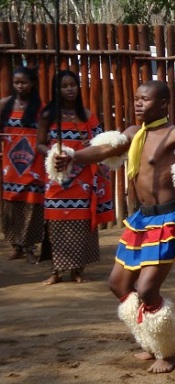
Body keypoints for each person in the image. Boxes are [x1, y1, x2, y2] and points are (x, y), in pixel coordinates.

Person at [51, 81, 175, 373]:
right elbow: (104, 149)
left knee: (145, 288)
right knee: (118, 284)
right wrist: (72, 156)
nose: (138, 104)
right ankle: (150, 339)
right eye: (136, 98)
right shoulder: (132, 133)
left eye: (145, 99)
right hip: (141, 219)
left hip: (167, 219)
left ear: (164, 104)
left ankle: (167, 351)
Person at [36, 70, 111, 284]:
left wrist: (92, 145)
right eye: (64, 86)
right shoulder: (48, 116)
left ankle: (78, 270)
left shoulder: (87, 115)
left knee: (81, 222)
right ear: (56, 90)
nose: (69, 89)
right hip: (58, 176)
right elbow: (39, 143)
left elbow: (102, 141)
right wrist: (52, 154)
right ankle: (56, 270)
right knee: (55, 222)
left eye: (73, 85)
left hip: (83, 177)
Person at [0, 66, 44, 264]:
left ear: (32, 84)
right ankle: (16, 246)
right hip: (10, 163)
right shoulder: (4, 104)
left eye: (23, 82)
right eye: (16, 82)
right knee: (12, 204)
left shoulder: (41, 108)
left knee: (32, 204)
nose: (19, 86)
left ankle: (30, 247)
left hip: (34, 163)